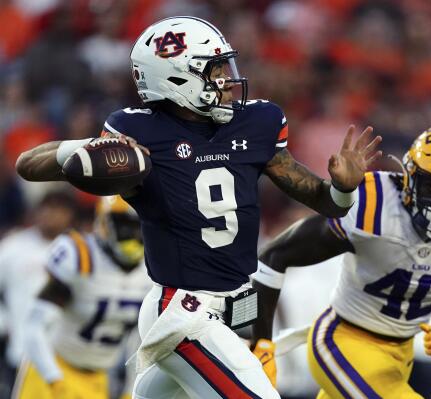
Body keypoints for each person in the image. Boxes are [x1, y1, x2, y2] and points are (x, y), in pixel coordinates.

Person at [14, 16, 381, 398]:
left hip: (236, 304)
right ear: (176, 79)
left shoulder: (256, 122)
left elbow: (326, 202)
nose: (227, 80)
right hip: (184, 311)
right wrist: (86, 150)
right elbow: (27, 165)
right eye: (215, 69)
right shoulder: (137, 133)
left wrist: (342, 188)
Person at [252, 123, 431, 398]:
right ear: (409, 174)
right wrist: (262, 342)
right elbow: (275, 255)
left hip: (401, 355)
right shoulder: (373, 204)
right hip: (342, 341)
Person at [12, 195, 151, 399]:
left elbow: (142, 339)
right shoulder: (80, 256)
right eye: (125, 225)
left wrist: (131, 388)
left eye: (139, 226)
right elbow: (34, 325)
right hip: (51, 367)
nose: (133, 234)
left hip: (97, 378)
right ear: (105, 224)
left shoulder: (150, 270)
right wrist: (54, 379)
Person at [0, 191, 77, 395]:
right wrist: (3, 321)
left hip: (66, 359)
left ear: (69, 215)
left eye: (59, 209)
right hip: (20, 352)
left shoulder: (80, 252)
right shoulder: (13, 246)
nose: (51, 215)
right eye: (47, 208)